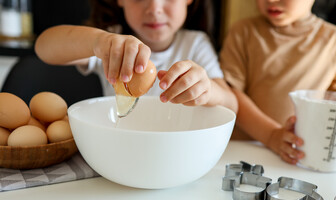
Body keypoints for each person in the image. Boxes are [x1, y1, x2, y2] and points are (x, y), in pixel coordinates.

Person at [35, 0, 237, 111]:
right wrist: (97, 42)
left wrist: (208, 91)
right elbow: (43, 47)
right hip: (124, 146)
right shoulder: (111, 44)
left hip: (178, 150)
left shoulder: (195, 44)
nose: (154, 8)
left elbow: (232, 104)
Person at [220, 0, 336, 164]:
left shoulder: (335, 39)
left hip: (300, 156)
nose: (271, 0)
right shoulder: (243, 31)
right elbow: (229, 93)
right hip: (245, 152)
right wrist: (271, 135)